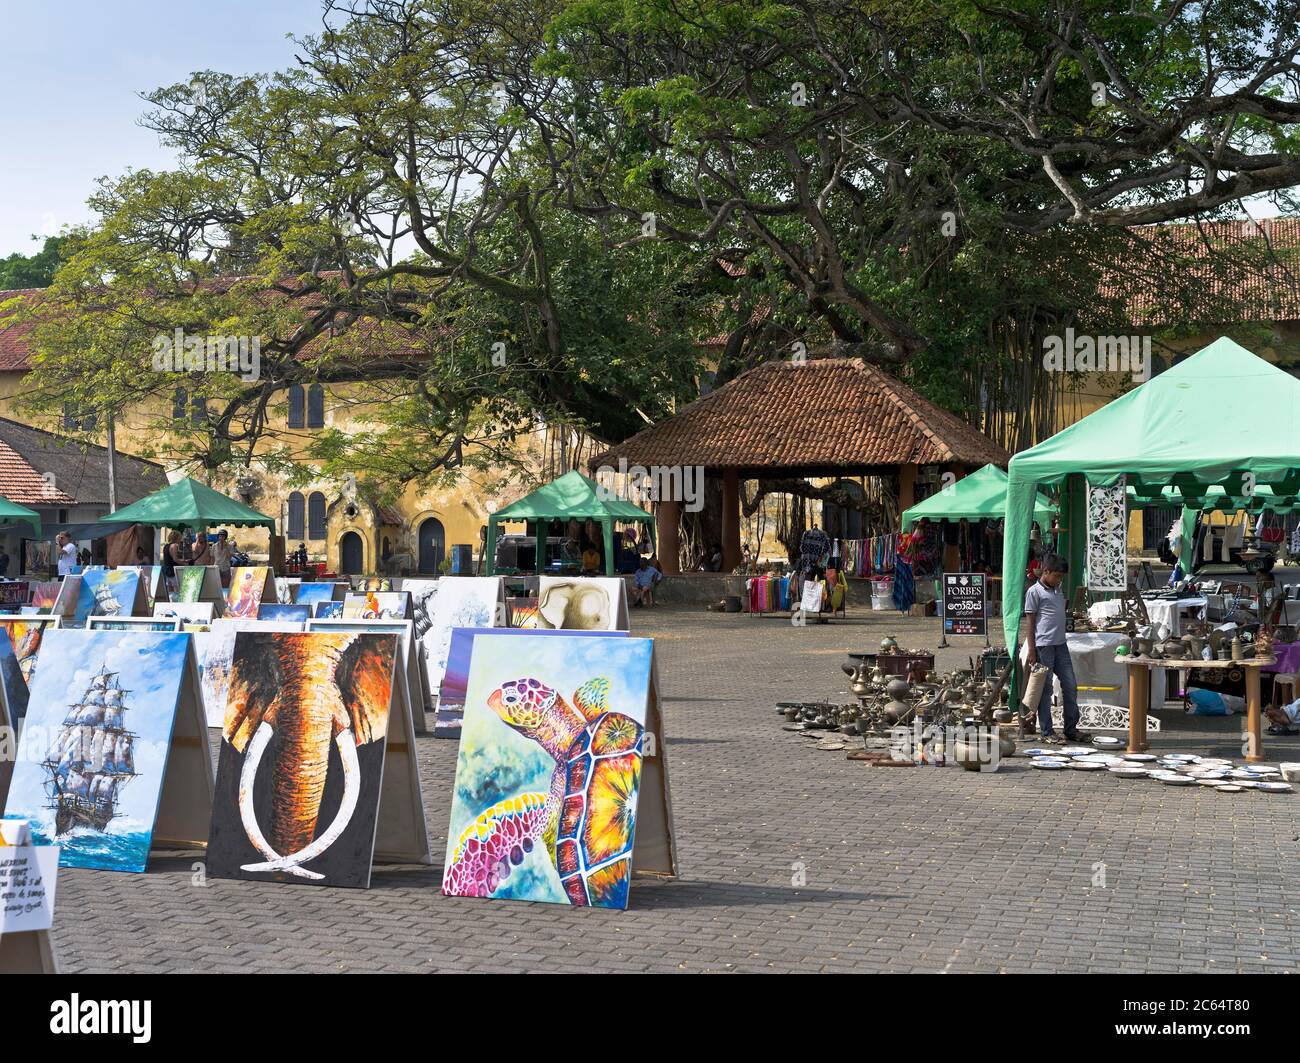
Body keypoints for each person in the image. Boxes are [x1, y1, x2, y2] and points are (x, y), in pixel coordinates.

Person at [1024, 553, 1081, 744]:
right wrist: (1032, 650)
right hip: (1043, 647)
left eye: (1061, 577)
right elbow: (1030, 624)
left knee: (1070, 686)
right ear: (1046, 571)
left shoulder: (1058, 589)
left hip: (1060, 645)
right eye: (1056, 576)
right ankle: (1047, 732)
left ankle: (1071, 729)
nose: (1059, 580)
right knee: (1046, 690)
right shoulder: (1034, 592)